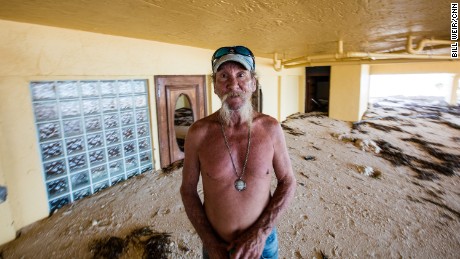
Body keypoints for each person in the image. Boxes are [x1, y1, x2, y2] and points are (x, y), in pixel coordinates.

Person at [180, 46, 296, 259]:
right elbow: (188, 190)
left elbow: (288, 181)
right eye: (223, 76)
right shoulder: (199, 133)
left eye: (241, 75)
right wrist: (210, 242)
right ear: (215, 86)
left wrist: (261, 234)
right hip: (217, 245)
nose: (233, 85)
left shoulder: (270, 128)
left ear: (253, 83)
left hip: (264, 242)